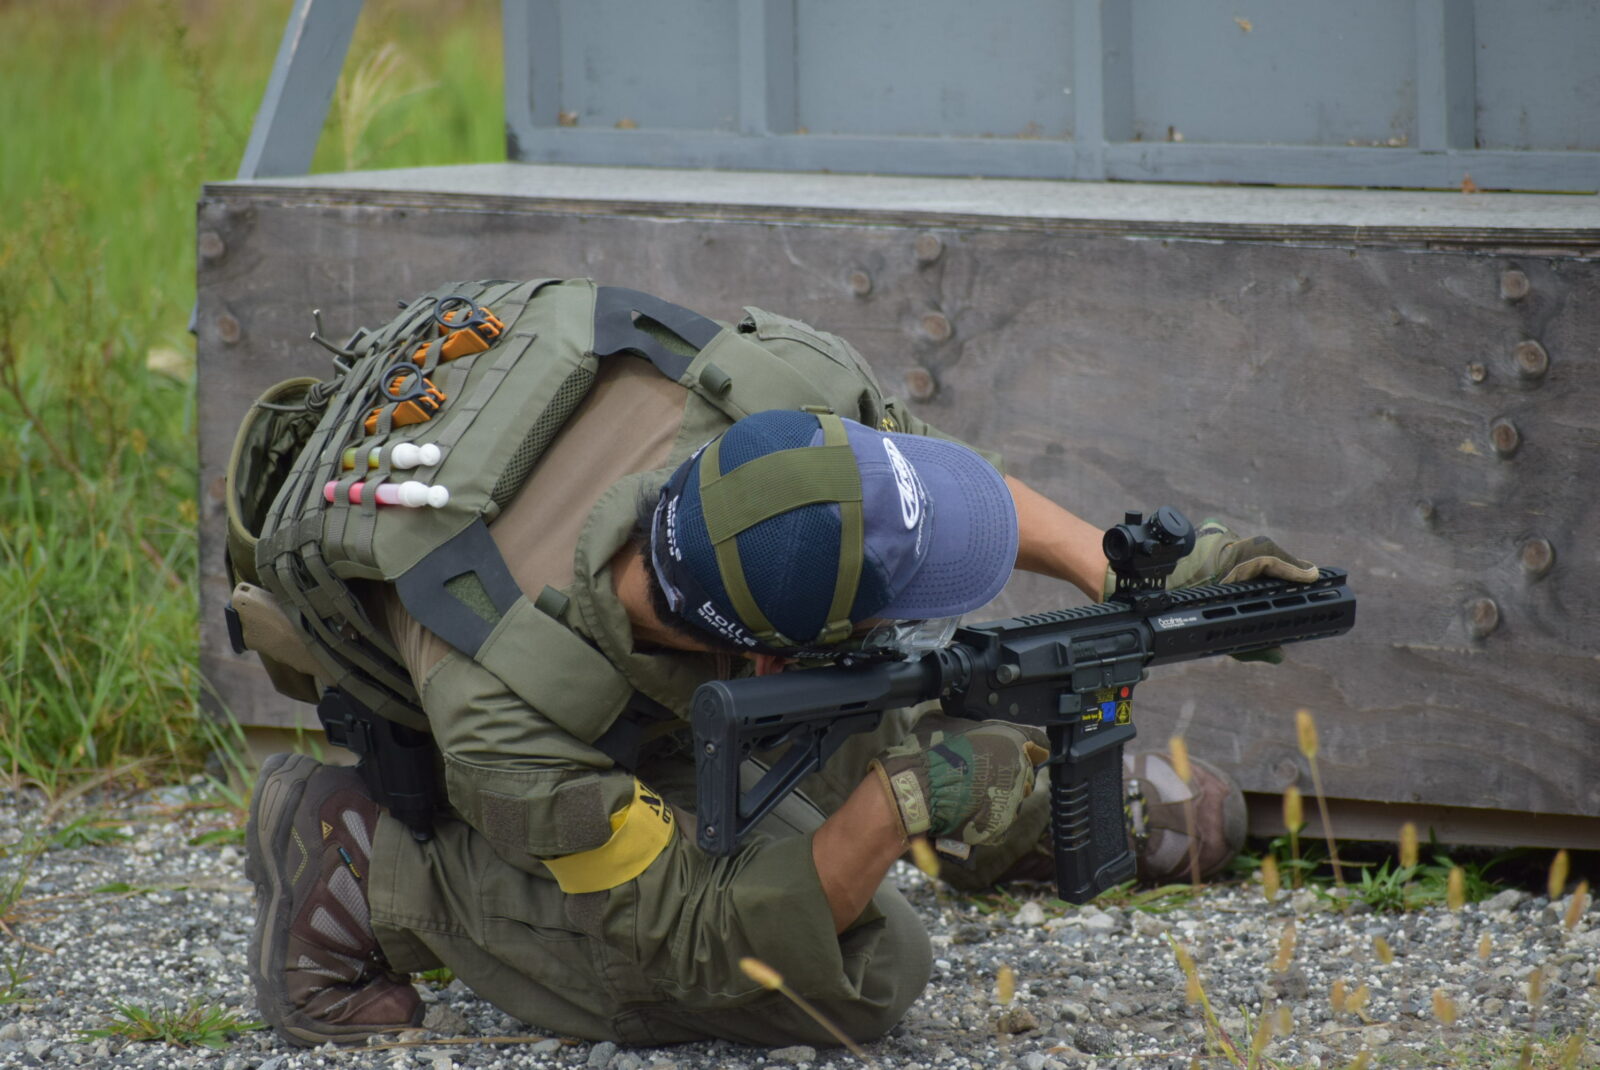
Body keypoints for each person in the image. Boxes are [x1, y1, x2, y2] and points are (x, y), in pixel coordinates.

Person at [243, 285, 1315, 1049]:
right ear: (758, 658)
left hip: (643, 637)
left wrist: (1127, 571)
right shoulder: (508, 708)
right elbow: (696, 934)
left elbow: (925, 480)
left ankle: (1006, 806)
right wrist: (899, 803)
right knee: (861, 971)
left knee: (882, 677)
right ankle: (369, 863)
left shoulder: (778, 396)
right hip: (488, 721)